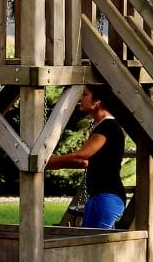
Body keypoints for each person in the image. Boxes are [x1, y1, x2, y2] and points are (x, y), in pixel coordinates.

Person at [46, 83, 126, 229]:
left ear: (97, 102)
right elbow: (83, 163)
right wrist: (51, 165)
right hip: (99, 197)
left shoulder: (108, 127)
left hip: (106, 197)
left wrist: (45, 162)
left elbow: (81, 156)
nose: (80, 99)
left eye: (85, 94)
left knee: (94, 246)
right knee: (92, 245)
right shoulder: (102, 126)